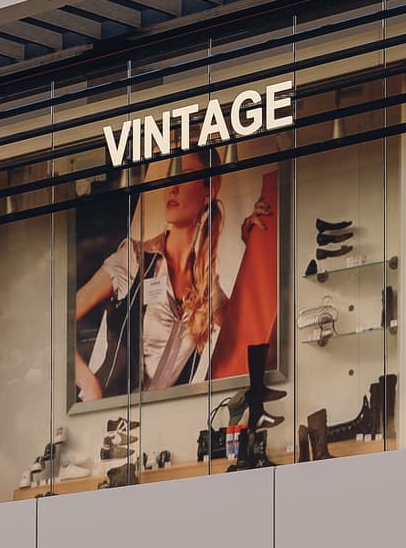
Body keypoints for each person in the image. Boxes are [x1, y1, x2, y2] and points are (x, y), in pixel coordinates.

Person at [74, 152, 278, 398]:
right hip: (107, 422)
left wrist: (254, 243)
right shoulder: (134, 259)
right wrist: (89, 385)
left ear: (210, 189)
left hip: (167, 424)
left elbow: (255, 339)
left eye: (186, 176)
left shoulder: (206, 288)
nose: (173, 187)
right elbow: (62, 321)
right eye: (171, 177)